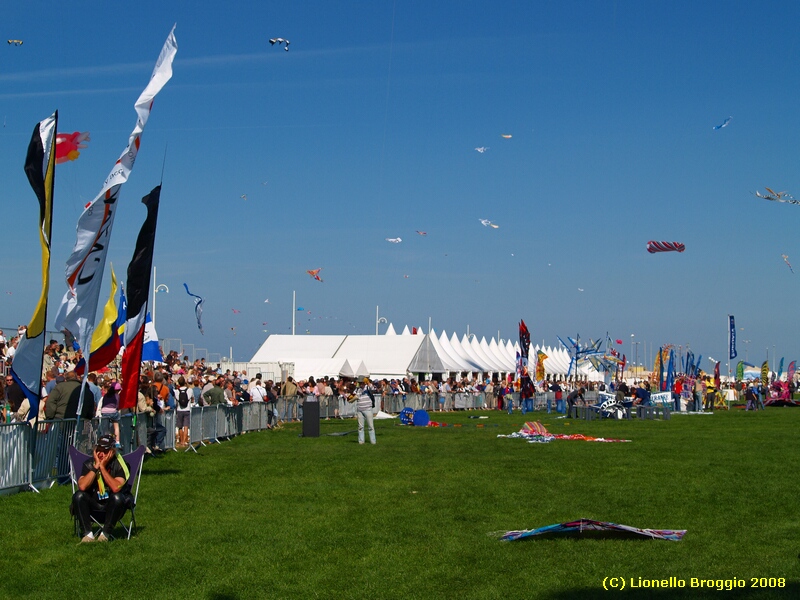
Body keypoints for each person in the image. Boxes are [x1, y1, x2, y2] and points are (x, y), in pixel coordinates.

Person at [71, 434, 131, 542]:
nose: (101, 454)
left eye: (105, 451)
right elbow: (82, 486)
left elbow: (116, 488)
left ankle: (105, 534)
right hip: (93, 507)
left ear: (112, 452)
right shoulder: (89, 464)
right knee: (78, 495)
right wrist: (96, 467)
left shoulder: (121, 465)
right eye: (98, 450)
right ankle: (88, 535)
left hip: (113, 508)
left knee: (117, 497)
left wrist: (102, 468)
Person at [356, 378, 376, 445]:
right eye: (360, 382)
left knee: (370, 426)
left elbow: (373, 389)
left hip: (368, 409)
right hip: (359, 409)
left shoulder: (367, 387)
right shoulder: (357, 389)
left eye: (362, 382)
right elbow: (354, 396)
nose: (360, 384)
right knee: (360, 427)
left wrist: (368, 382)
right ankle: (361, 441)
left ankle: (373, 441)